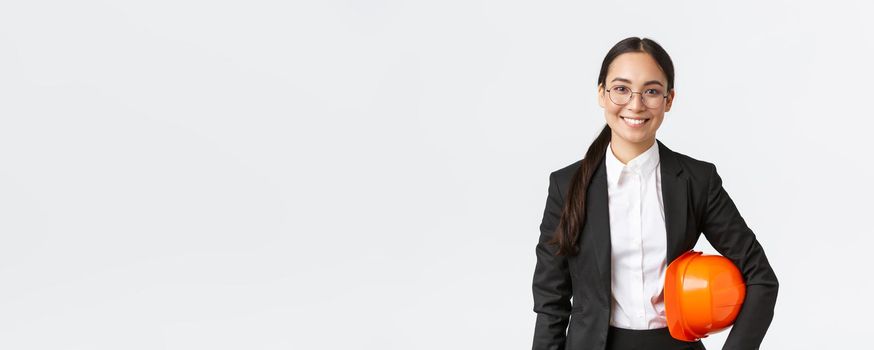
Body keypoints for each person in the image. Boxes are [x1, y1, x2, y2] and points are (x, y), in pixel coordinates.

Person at [531, 37, 779, 350]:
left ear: (669, 99)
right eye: (621, 89)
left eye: (651, 91)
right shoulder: (566, 185)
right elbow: (551, 302)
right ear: (601, 94)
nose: (635, 104)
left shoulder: (696, 180)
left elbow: (761, 277)